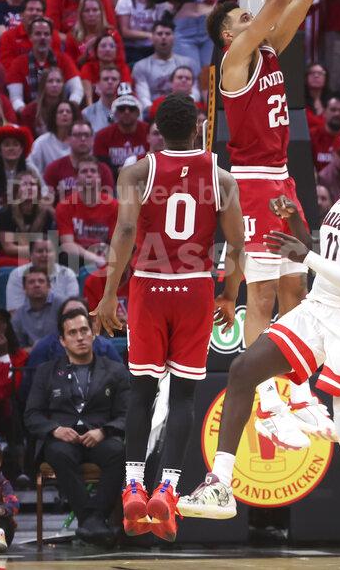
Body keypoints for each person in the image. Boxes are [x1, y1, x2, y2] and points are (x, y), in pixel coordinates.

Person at [178, 136, 340, 570]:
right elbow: (328, 256)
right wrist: (297, 229)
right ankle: (220, 484)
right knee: (243, 368)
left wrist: (305, 255)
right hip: (318, 308)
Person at [201, 0, 340, 453]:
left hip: (281, 182)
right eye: (243, 16)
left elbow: (300, 1)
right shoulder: (236, 59)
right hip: (255, 184)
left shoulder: (266, 50)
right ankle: (265, 403)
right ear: (227, 34)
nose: (251, 17)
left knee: (295, 291)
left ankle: (297, 389)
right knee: (259, 298)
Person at [90, 94, 245, 541]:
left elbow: (124, 230)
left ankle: (133, 486)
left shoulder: (136, 172)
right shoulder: (221, 177)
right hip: (195, 287)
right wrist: (229, 293)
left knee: (141, 392)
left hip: (149, 286)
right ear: (197, 127)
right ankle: (169, 490)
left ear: (156, 129)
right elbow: (237, 245)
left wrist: (108, 294)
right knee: (182, 397)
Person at [23, 309, 130, 547]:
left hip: (101, 437)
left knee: (118, 453)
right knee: (58, 452)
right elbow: (31, 415)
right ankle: (93, 521)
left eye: (84, 330)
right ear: (62, 341)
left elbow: (127, 414)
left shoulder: (115, 370)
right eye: (72, 333)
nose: (80, 337)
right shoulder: (46, 371)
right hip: (63, 440)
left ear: (93, 333)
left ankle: (90, 521)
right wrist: (55, 429)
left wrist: (104, 431)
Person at [54, 156, 117, 269]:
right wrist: (94, 258)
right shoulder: (64, 206)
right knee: (67, 257)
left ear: (99, 178)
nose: (89, 174)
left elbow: (116, 243)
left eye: (93, 171)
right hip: (78, 257)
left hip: (105, 254)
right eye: (84, 171)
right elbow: (68, 245)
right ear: (76, 178)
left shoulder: (114, 206)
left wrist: (104, 258)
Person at [131, 19, 199, 113]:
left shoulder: (188, 63)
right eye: (159, 34)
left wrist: (185, 108)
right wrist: (155, 112)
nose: (163, 37)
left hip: (184, 110)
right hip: (154, 113)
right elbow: (143, 99)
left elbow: (195, 92)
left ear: (174, 38)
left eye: (167, 34)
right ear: (152, 38)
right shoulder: (141, 66)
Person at [11, 266, 59, 347]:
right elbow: (17, 349)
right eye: (31, 282)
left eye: (41, 281)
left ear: (49, 286)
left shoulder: (62, 305)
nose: (37, 285)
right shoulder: (18, 316)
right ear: (24, 288)